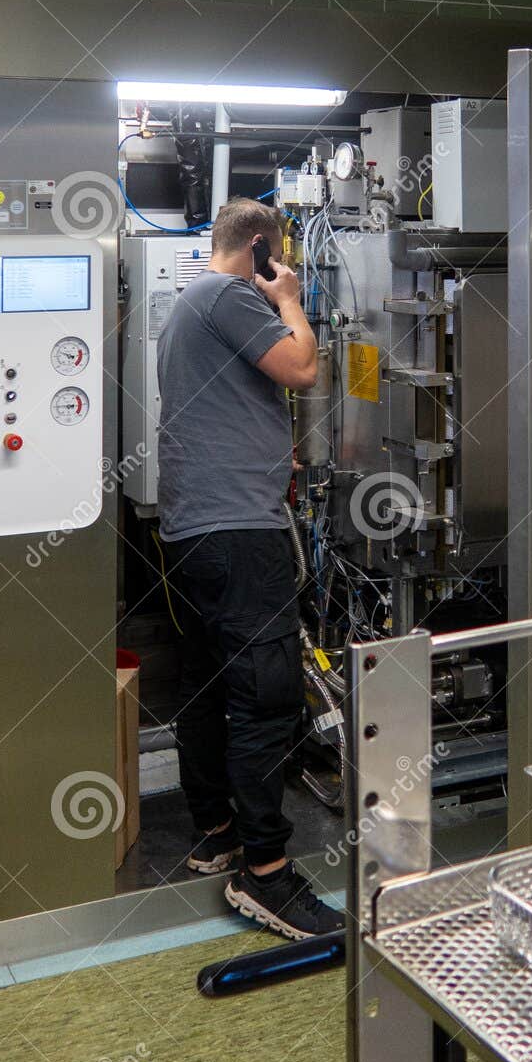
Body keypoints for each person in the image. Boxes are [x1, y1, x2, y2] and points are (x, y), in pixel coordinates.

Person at [155, 197, 338, 940]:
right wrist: (289, 299)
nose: (281, 267)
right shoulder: (230, 295)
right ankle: (267, 876)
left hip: (196, 528)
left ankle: (217, 835)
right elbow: (302, 368)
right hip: (237, 533)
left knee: (205, 688)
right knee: (266, 697)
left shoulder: (188, 306)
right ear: (260, 248)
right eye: (278, 255)